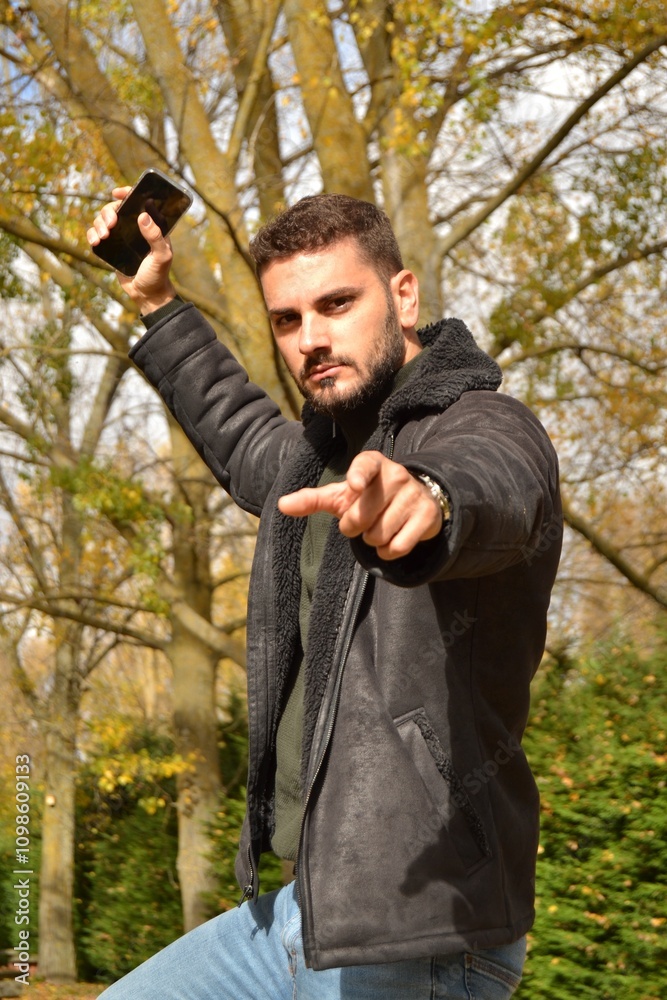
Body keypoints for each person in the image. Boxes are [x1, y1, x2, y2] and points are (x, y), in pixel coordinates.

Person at [88, 189, 562, 999]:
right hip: (302, 913)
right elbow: (241, 432)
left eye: (336, 304)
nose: (310, 338)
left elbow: (498, 480)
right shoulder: (317, 462)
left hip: (421, 932)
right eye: (287, 319)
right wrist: (157, 302)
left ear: (402, 296)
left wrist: (430, 499)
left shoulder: (483, 422)